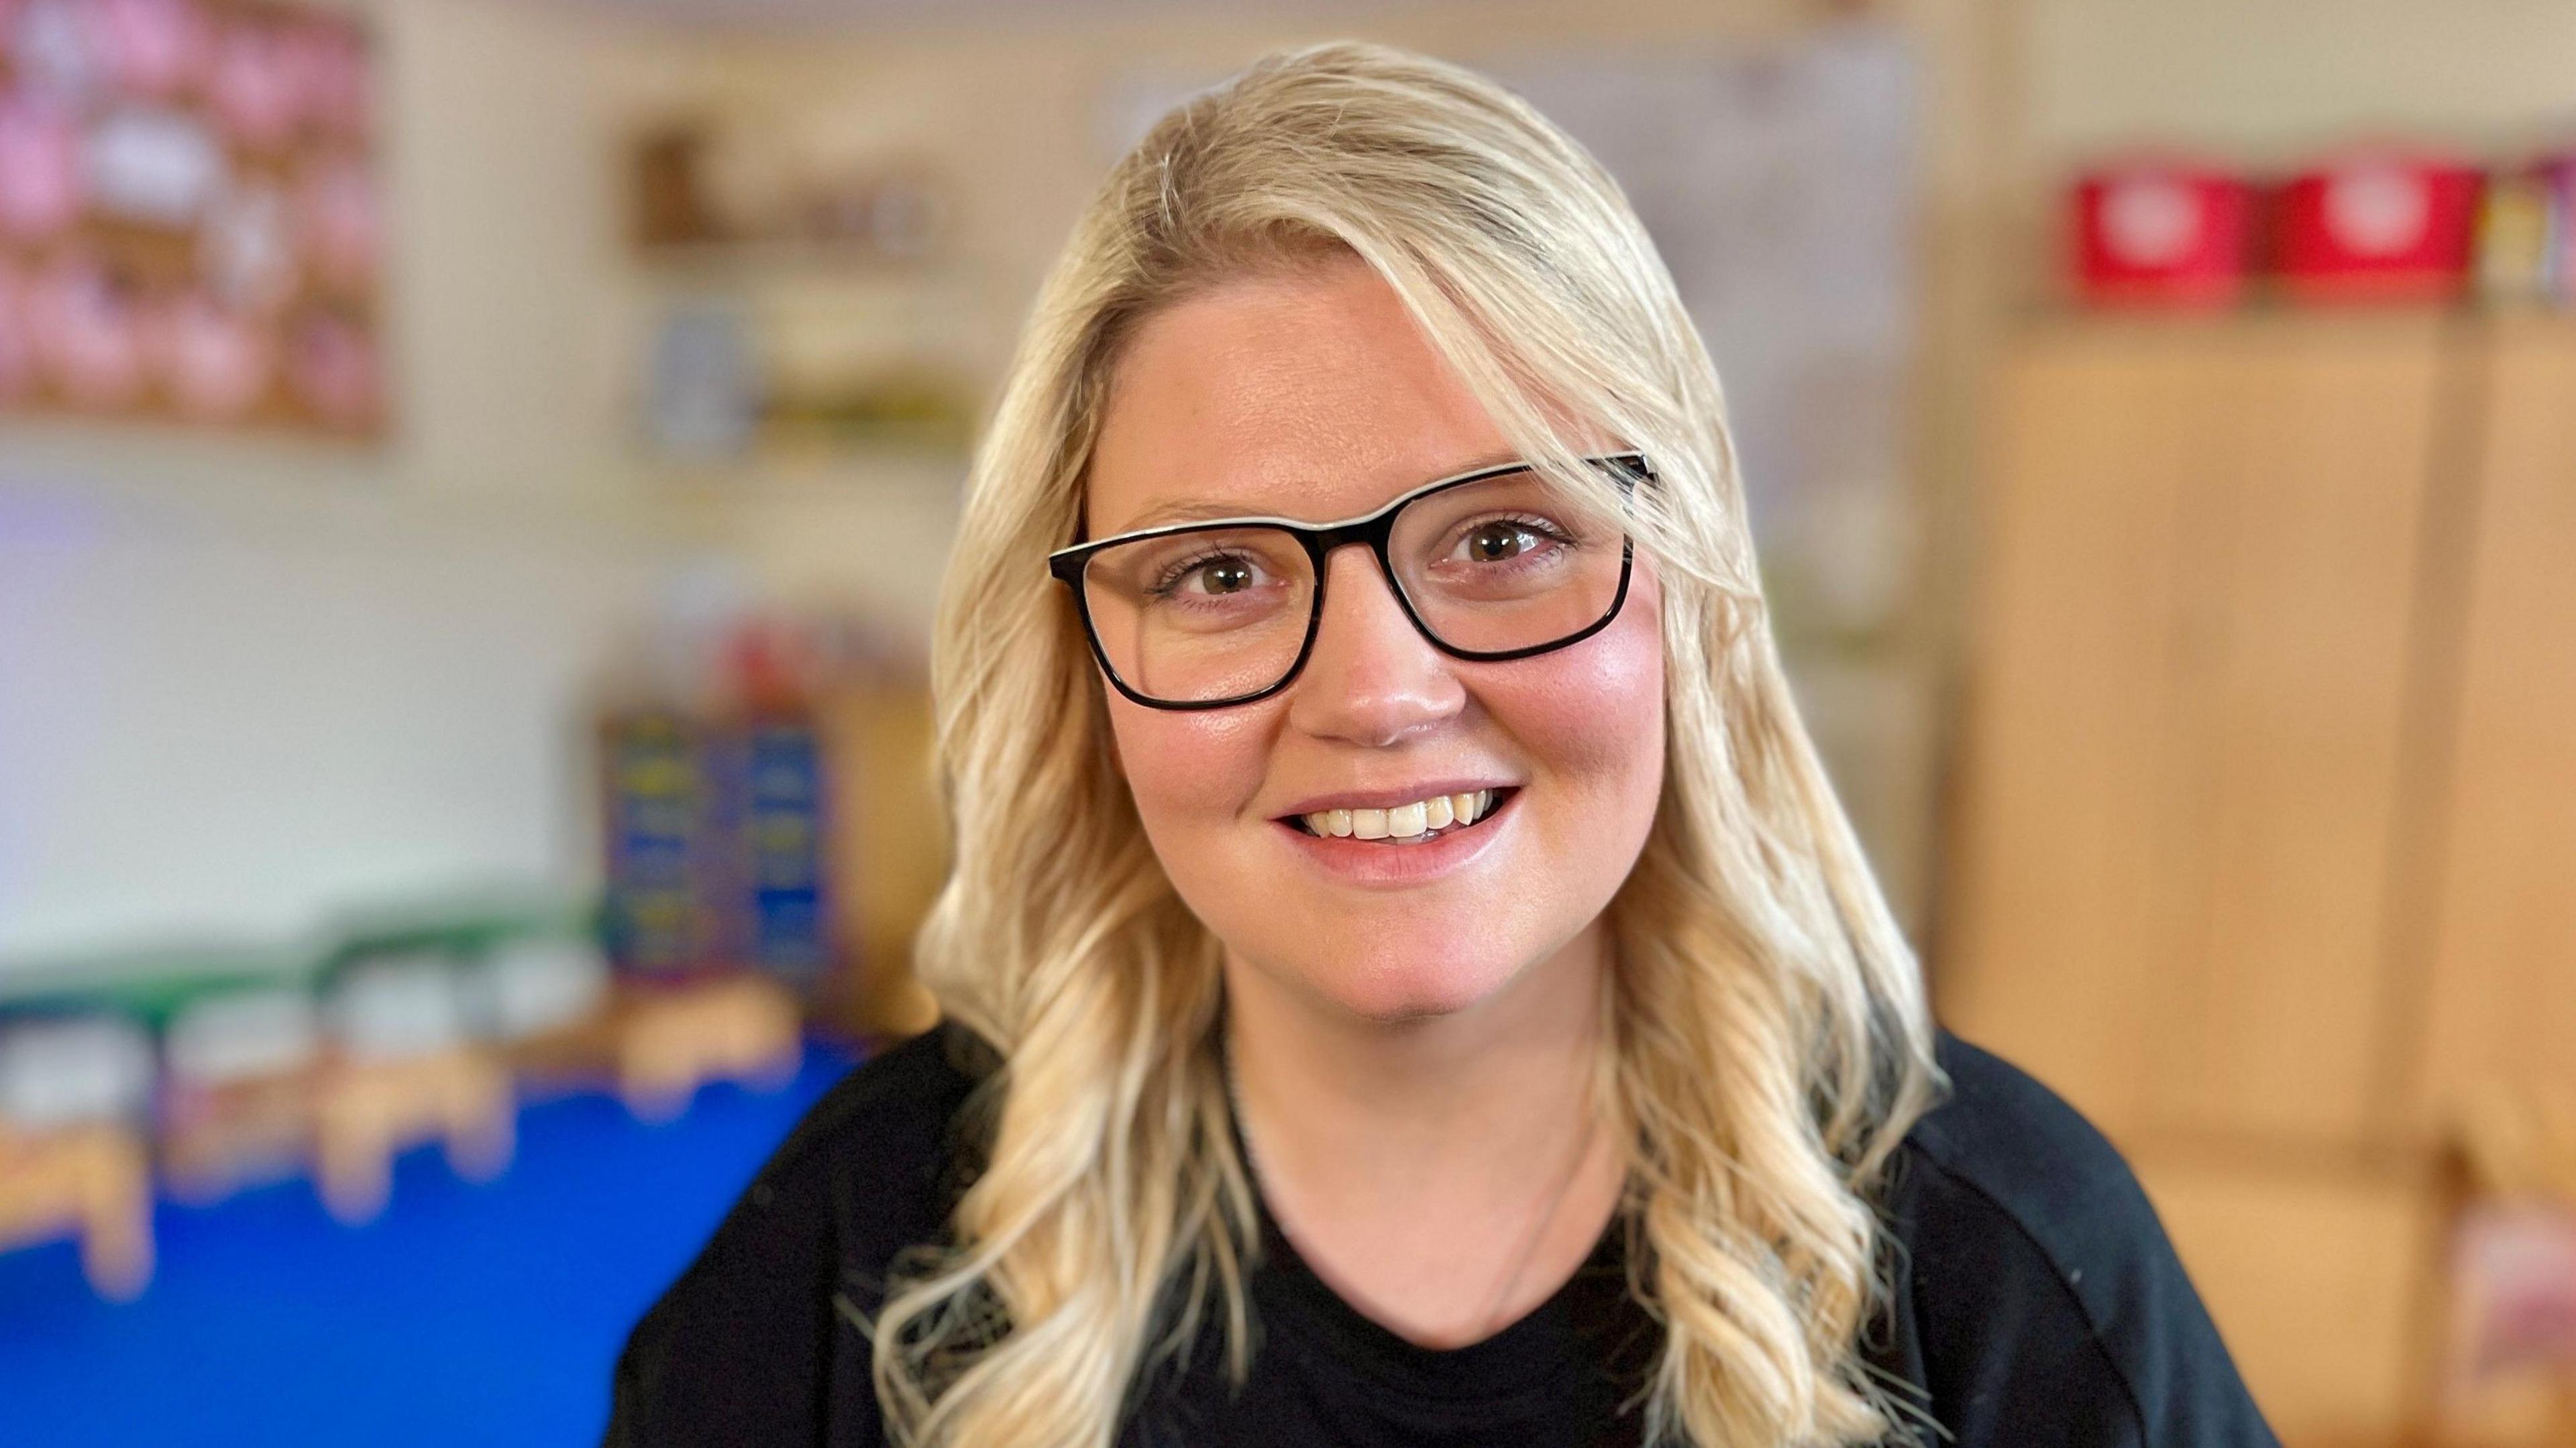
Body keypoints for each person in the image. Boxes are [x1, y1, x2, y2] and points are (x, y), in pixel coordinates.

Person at [604, 40, 2277, 1448]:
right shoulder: (855, 1256)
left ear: (1685, 596)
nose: (1379, 694)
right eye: (1220, 572)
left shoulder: (2005, 1272)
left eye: (1503, 540)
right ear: (1081, 664)